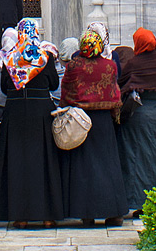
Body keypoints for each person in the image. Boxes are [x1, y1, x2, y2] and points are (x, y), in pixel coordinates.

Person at [0, 19, 64, 228]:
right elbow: (53, 84)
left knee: (17, 163)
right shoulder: (44, 56)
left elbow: (5, 88)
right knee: (43, 162)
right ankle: (47, 216)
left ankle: (19, 216)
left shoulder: (11, 57)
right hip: (40, 114)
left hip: (15, 116)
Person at [59, 27, 127, 226]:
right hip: (104, 121)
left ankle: (86, 214)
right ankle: (113, 213)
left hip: (81, 121)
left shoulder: (74, 66)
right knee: (108, 165)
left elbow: (67, 92)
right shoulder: (109, 66)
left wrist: (66, 109)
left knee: (84, 167)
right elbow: (114, 92)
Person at [117, 28, 156, 215]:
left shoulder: (134, 63)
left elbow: (122, 84)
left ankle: (140, 202)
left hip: (139, 115)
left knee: (137, 159)